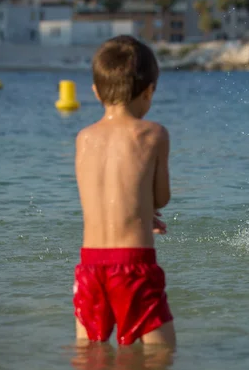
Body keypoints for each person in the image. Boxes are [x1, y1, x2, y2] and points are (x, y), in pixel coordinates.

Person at [73, 35, 176, 347]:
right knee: (160, 355)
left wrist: (138, 211)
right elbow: (161, 198)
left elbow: (97, 200)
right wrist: (146, 210)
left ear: (95, 92)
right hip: (134, 264)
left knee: (92, 354)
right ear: (149, 91)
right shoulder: (153, 134)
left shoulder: (84, 138)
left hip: (89, 266)